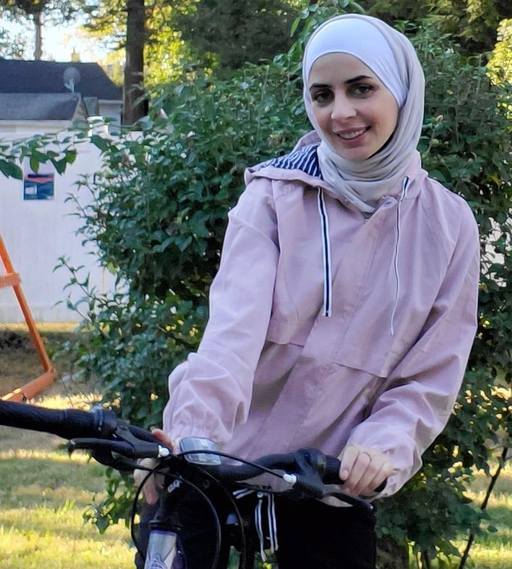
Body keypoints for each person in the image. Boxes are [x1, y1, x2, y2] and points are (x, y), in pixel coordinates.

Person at [136, 13, 480, 569]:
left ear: (401, 92)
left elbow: (431, 373)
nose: (340, 112)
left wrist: (383, 446)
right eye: (323, 95)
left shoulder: (448, 224)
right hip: (217, 472)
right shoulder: (273, 197)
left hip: (329, 487)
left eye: (361, 89)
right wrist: (191, 436)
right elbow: (231, 337)